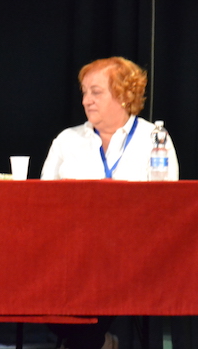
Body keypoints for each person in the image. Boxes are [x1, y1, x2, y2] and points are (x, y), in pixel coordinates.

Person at [41, 56, 179, 349]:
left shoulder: (154, 139)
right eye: (84, 92)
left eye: (96, 92)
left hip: (133, 254)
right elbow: (44, 203)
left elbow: (167, 206)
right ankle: (98, 342)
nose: (86, 100)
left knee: (85, 298)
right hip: (72, 252)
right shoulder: (67, 140)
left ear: (124, 94)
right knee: (44, 288)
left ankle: (92, 341)